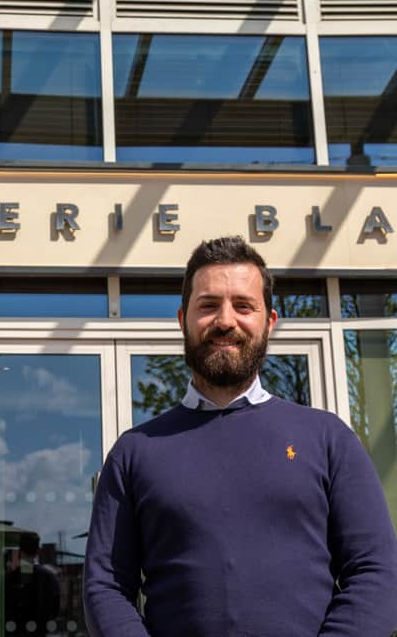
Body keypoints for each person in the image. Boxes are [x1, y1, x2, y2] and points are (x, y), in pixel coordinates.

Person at [83, 236, 397, 637]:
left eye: (243, 306)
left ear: (269, 322)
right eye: (209, 305)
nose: (226, 320)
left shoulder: (328, 439)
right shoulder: (135, 452)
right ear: (183, 320)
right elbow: (105, 585)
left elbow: (376, 573)